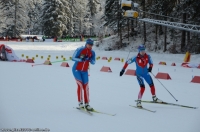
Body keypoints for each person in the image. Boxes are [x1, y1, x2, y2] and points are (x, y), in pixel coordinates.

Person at [72, 38, 96, 111]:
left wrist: (90, 60)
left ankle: (87, 103)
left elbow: (94, 62)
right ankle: (80, 103)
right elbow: (73, 58)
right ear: (86, 44)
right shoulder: (80, 49)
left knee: (86, 86)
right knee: (80, 85)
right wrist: (81, 59)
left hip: (85, 71)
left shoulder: (92, 52)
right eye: (89, 44)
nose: (90, 46)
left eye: (91, 45)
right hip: (76, 70)